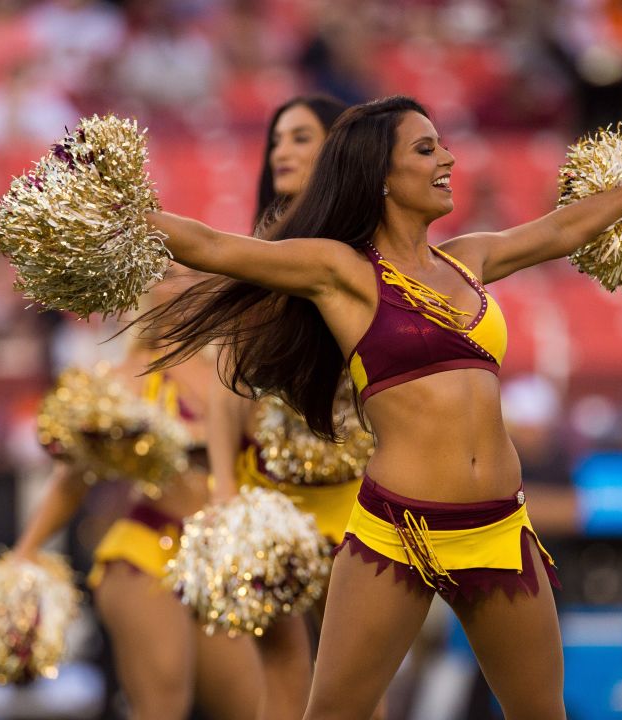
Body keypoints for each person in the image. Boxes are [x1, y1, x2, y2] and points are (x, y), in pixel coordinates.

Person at [140, 95, 622, 719]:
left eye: (442, 145)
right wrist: (123, 212)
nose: (447, 157)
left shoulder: (470, 259)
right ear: (381, 176)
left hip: (501, 530)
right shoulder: (342, 271)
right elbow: (213, 246)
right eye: (426, 149)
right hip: (395, 534)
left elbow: (560, 229)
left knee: (542, 712)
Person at [12, 294, 261, 720]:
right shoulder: (125, 379)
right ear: (142, 293)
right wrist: (25, 553)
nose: (183, 286)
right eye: (167, 276)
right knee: (162, 707)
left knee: (256, 708)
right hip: (145, 553)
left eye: (193, 273)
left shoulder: (234, 372)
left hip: (220, 564)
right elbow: (72, 477)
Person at [207, 95, 364, 720]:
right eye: (275, 141)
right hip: (269, 496)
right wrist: (223, 495)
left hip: (357, 495)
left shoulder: (364, 257)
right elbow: (226, 391)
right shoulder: (259, 255)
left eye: (300, 137)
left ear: (337, 152)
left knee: (356, 683)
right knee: (283, 675)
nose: (281, 152)